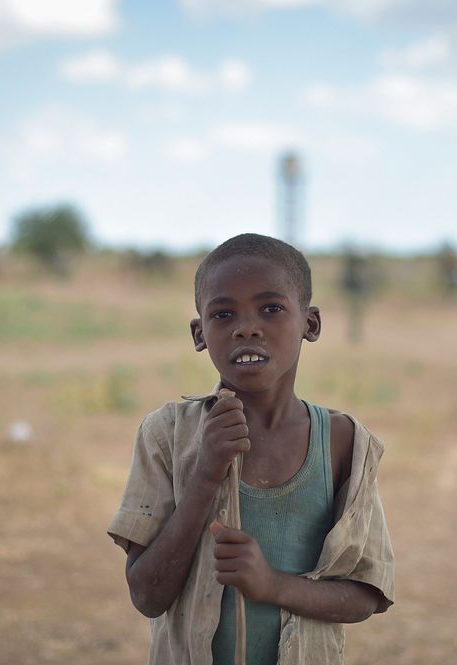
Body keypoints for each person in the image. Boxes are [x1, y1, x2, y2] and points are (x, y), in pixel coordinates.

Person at [108, 233, 395, 665]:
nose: (247, 327)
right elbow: (147, 595)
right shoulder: (167, 432)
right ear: (199, 333)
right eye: (223, 314)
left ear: (310, 324)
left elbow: (363, 596)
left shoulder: (343, 443)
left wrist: (272, 585)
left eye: (271, 308)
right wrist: (205, 474)